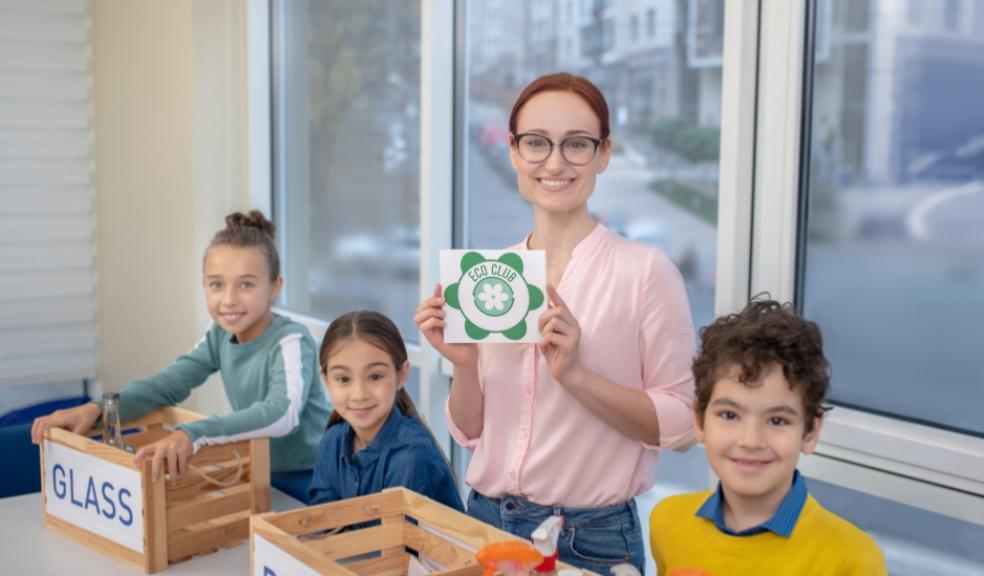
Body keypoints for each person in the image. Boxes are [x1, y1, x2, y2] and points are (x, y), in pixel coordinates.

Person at [414, 72, 696, 573]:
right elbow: (471, 431)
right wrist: (463, 362)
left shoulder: (646, 272)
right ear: (514, 151)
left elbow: (681, 424)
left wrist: (577, 377)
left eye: (577, 144)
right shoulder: (490, 278)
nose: (555, 162)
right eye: (537, 143)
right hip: (486, 522)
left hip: (592, 539)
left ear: (604, 154)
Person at [32, 211, 332, 489]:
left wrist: (196, 432)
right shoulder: (218, 335)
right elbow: (167, 386)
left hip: (317, 475)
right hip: (262, 471)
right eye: (216, 285)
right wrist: (97, 408)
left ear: (274, 287)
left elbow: (282, 415)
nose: (228, 300)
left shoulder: (291, 340)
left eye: (246, 285)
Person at [649, 299, 887, 575]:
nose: (750, 440)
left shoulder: (852, 560)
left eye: (777, 420)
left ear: (810, 432)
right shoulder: (667, 524)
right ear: (700, 420)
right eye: (729, 415)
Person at [307, 311, 463, 512]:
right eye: (343, 379)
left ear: (402, 375)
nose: (359, 394)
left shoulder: (410, 456)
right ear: (326, 379)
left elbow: (398, 540)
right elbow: (320, 519)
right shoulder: (333, 440)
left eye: (375, 377)